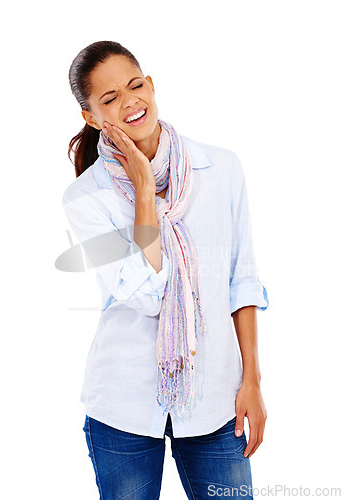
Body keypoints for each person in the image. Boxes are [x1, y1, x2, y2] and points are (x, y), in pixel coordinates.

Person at [63, 40, 269, 500]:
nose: (130, 102)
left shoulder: (221, 168)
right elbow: (147, 294)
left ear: (151, 86)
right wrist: (141, 191)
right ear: (92, 118)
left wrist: (251, 380)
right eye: (110, 99)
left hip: (216, 400)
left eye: (135, 86)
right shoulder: (85, 198)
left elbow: (242, 280)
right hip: (124, 406)